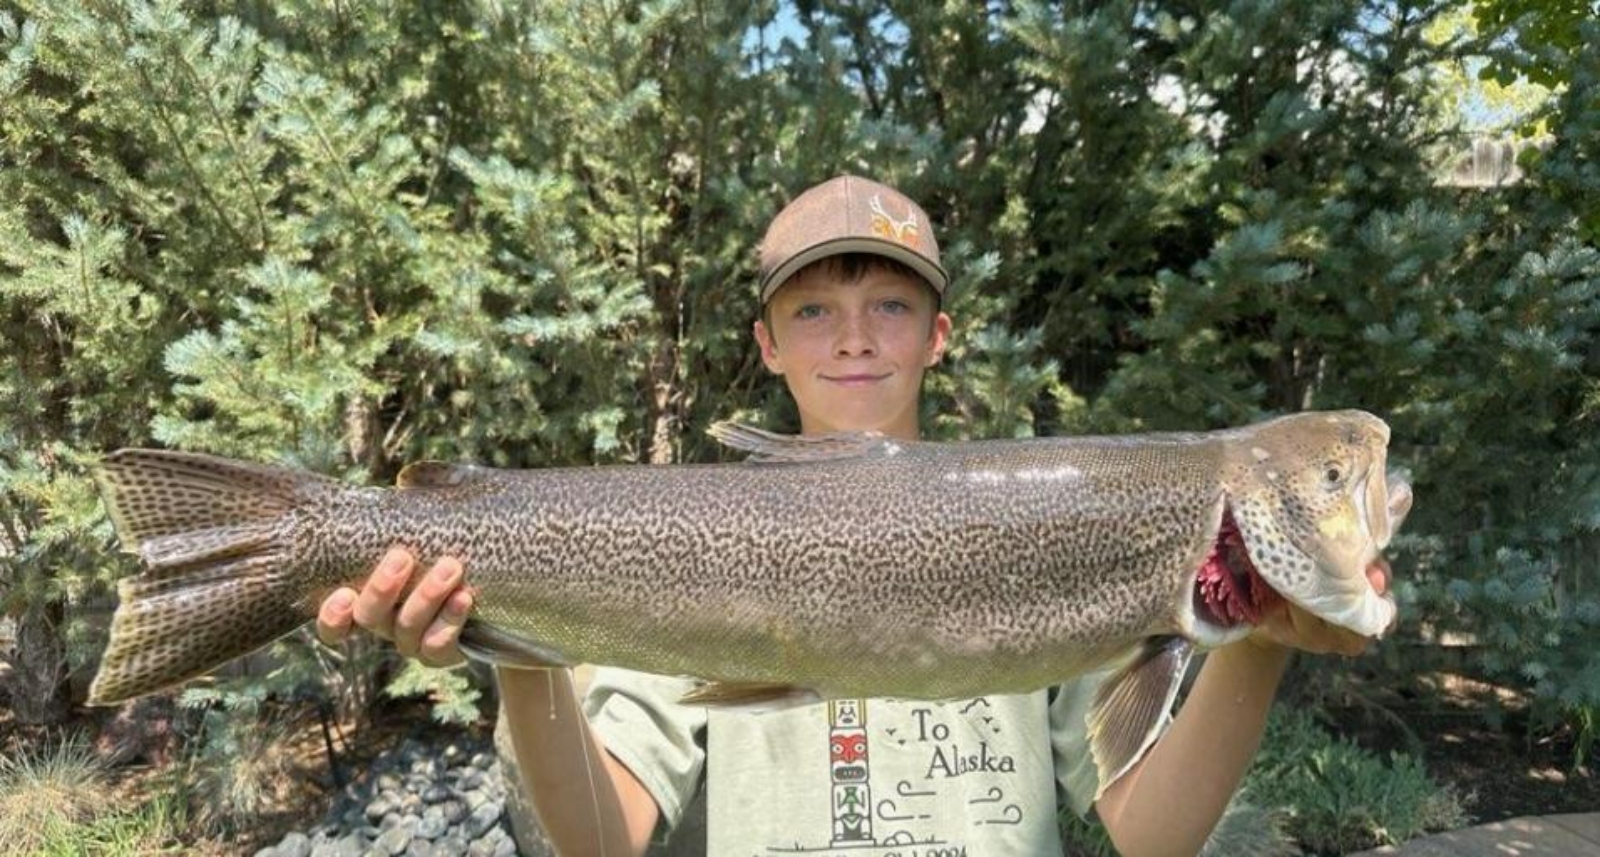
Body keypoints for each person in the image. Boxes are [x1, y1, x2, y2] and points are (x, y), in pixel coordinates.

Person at [316, 175, 1392, 855]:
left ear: (937, 333)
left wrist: (1258, 642)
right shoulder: (699, 548)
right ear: (769, 342)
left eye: (890, 303)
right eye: (814, 309)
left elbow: (1149, 836)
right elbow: (606, 840)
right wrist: (520, 642)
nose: (854, 337)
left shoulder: (1055, 528)